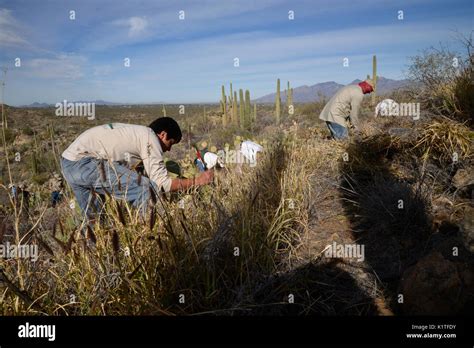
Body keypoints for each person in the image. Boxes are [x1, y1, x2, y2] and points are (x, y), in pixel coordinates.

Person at [61, 117, 214, 220]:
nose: (168, 150)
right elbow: (161, 184)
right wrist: (198, 181)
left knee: (95, 222)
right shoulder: (149, 137)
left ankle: (95, 259)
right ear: (162, 134)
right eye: (171, 143)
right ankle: (153, 237)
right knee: (148, 189)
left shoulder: (137, 134)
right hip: (85, 163)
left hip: (69, 163)